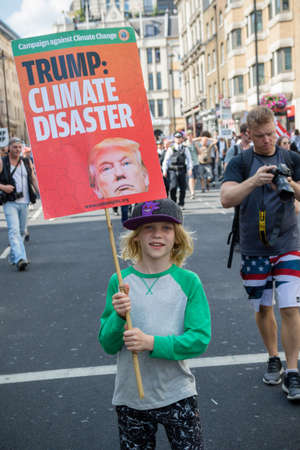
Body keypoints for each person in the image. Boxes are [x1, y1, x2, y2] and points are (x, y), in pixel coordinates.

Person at [99, 198, 211, 449]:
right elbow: (107, 343)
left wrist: (151, 343)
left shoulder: (188, 281)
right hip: (131, 398)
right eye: (149, 227)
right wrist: (118, 317)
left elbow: (199, 339)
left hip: (178, 394)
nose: (157, 234)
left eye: (166, 228)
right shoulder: (119, 281)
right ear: (136, 236)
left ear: (177, 237)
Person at [221, 105, 300, 401]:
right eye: (260, 136)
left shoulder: (291, 157)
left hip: (288, 244)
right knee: (264, 307)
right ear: (248, 135)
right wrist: (255, 180)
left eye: (271, 134)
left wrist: (289, 182)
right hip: (253, 246)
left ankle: (293, 371)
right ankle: (272, 356)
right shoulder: (241, 162)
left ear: (277, 130)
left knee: (291, 307)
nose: (267, 140)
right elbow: (226, 199)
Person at [0, 137, 39, 271]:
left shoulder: (27, 162)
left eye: (19, 147)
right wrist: (3, 187)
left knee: (22, 231)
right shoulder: (2, 162)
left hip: (24, 202)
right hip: (10, 202)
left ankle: (14, 255)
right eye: (15, 147)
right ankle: (21, 259)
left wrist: (40, 193)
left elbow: (33, 178)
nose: (17, 149)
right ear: (9, 148)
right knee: (14, 231)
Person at [162, 131, 193, 208]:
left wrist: (190, 169)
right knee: (173, 187)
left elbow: (189, 160)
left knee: (183, 187)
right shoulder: (171, 149)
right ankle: (174, 203)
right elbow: (166, 160)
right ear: (174, 139)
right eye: (176, 138)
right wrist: (164, 170)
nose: (178, 139)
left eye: (179, 138)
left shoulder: (185, 149)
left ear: (182, 139)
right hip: (172, 170)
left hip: (182, 170)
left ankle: (181, 203)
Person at [185, 129, 200, 199]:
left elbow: (199, 153)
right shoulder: (185, 144)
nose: (189, 137)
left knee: (195, 179)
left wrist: (196, 146)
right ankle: (192, 192)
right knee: (191, 178)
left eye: (191, 136)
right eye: (188, 136)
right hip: (188, 164)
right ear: (186, 136)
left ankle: (192, 189)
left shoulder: (195, 143)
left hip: (196, 163)